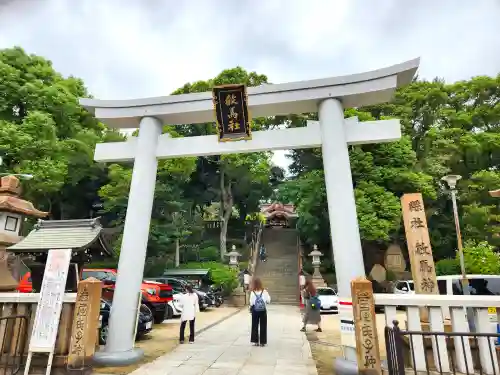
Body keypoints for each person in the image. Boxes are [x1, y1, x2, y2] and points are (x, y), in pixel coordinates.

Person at [249, 277, 271, 346]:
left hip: (255, 311)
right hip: (263, 311)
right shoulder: (264, 291)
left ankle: (255, 341)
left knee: (255, 325)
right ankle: (262, 342)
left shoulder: (252, 292)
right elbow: (268, 300)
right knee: (263, 325)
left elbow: (251, 303)